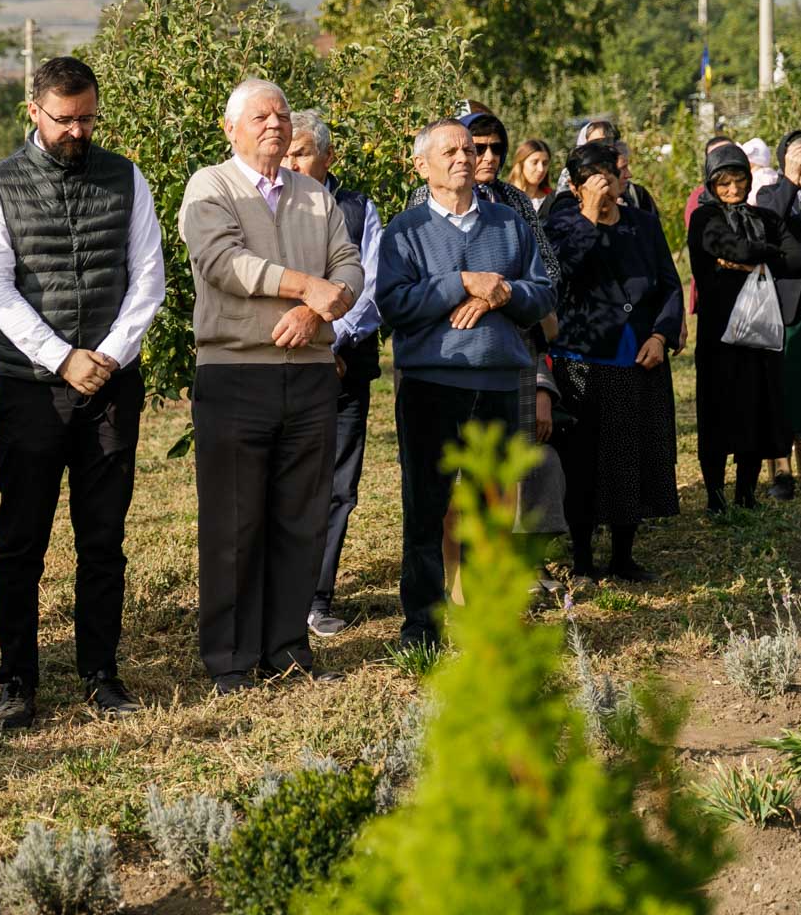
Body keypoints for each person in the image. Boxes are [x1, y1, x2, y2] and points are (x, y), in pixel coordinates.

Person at [0, 56, 166, 724]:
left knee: (103, 537)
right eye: (65, 119)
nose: (78, 131)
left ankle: (101, 672)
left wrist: (107, 356)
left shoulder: (126, 178)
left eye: (88, 118)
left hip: (110, 383)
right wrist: (61, 359)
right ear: (34, 111)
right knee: (21, 538)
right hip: (31, 388)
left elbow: (147, 278)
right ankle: (16, 680)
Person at [178, 78, 361, 695]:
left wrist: (314, 311)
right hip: (235, 372)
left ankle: (287, 647)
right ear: (230, 128)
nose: (275, 124)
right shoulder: (210, 187)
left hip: (309, 372)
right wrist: (304, 286)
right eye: (260, 117)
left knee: (299, 518)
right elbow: (221, 262)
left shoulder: (315, 195)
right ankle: (231, 659)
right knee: (234, 523)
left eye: (281, 115)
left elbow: (349, 266)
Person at [377, 118, 554, 650]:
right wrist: (460, 284)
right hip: (431, 384)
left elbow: (543, 294)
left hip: (498, 382)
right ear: (421, 166)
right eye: (450, 151)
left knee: (492, 510)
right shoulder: (404, 231)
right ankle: (422, 628)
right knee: (427, 509)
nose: (464, 158)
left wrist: (502, 293)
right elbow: (394, 304)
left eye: (469, 150)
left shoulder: (509, 224)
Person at [544, 143, 681, 580]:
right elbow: (560, 277)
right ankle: (582, 557)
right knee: (582, 460)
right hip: (582, 359)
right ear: (574, 186)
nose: (605, 182)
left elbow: (669, 284)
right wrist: (588, 214)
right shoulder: (560, 225)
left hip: (637, 357)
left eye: (610, 172)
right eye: (592, 176)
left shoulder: (643, 224)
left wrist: (660, 335)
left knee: (629, 457)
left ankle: (624, 555)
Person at [285, 111, 380, 637]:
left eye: (300, 152)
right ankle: (278, 593)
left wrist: (333, 340)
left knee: (339, 484)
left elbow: (371, 285)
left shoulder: (358, 209)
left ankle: (317, 596)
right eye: (285, 152)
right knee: (285, 479)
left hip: (345, 365)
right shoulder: (265, 203)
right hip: (284, 359)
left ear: (328, 157)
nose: (290, 162)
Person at [689, 144, 801, 512]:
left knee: (756, 409)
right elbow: (731, 247)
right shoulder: (705, 217)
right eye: (723, 183)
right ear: (711, 184)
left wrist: (753, 257)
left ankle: (746, 493)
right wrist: (764, 253)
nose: (733, 189)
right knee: (718, 409)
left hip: (760, 332)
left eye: (739, 180)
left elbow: (797, 258)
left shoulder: (764, 217)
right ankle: (715, 496)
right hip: (720, 333)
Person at [755, 129, 801, 499]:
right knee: (782, 389)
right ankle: (782, 473)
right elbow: (766, 226)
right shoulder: (770, 194)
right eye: (799, 156)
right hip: (788, 307)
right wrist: (790, 180)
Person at [509, 138, 555, 213]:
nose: (541, 169)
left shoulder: (553, 199)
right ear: (521, 164)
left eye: (545, 163)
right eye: (534, 162)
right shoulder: (504, 197)